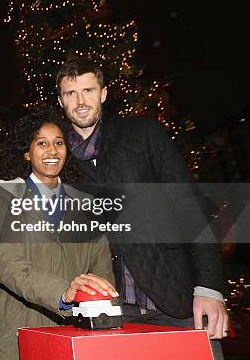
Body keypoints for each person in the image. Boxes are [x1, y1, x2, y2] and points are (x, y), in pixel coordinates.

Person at [56, 58, 228, 358]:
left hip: (173, 297)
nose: (81, 101)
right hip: (106, 312)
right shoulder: (54, 155)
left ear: (104, 94)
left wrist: (209, 288)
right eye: (71, 93)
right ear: (61, 100)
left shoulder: (143, 134)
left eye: (88, 90)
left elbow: (190, 207)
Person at [0, 109, 117, 360]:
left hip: (76, 329)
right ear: (26, 152)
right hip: (17, 328)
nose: (52, 151)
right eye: (41, 143)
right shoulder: (6, 195)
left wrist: (103, 312)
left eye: (59, 143)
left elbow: (102, 270)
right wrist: (63, 293)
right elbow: (8, 264)